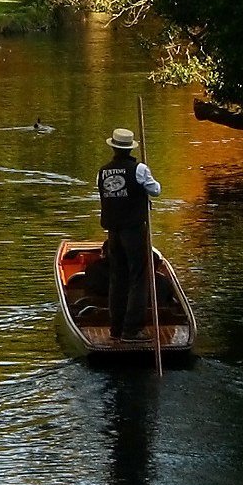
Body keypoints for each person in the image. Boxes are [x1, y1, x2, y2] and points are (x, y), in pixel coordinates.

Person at [97, 127, 162, 338]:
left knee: (117, 278)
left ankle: (115, 329)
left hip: (113, 232)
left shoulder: (102, 171)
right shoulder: (139, 169)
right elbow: (156, 191)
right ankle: (132, 330)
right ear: (129, 148)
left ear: (114, 148)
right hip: (133, 230)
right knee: (137, 278)